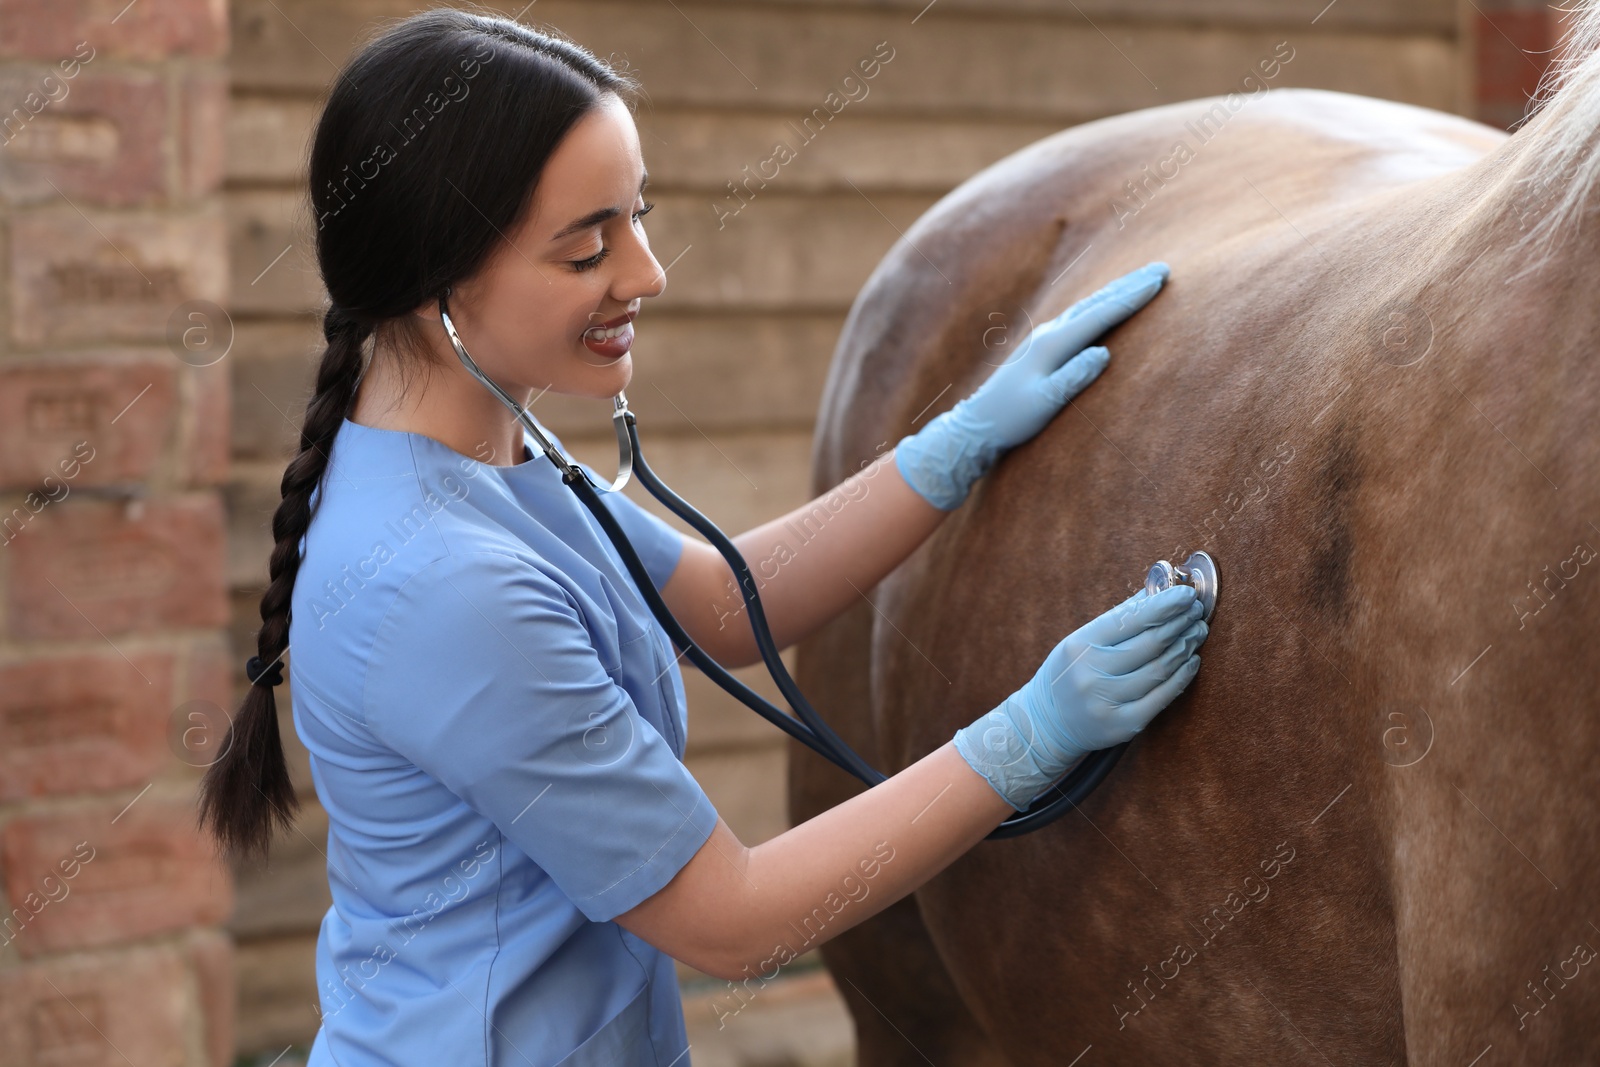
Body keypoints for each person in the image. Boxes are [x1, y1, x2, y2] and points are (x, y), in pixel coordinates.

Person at [197, 10, 1208, 1065]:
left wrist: (952, 447)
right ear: (437, 287)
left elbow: (727, 605)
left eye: (637, 217)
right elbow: (733, 919)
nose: (647, 271)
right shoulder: (442, 586)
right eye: (587, 245)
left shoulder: (489, 459)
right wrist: (1031, 734)